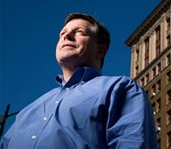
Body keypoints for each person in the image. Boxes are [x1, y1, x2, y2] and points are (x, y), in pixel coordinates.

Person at [0, 13, 158, 148]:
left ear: (100, 50)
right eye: (62, 33)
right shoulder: (26, 112)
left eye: (79, 32)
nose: (66, 36)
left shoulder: (119, 88)